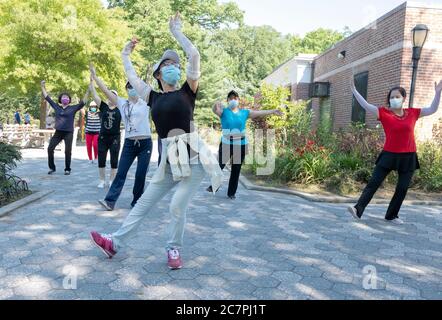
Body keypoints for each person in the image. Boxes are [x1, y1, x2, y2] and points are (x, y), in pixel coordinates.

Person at [90, 13, 223, 270]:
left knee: (176, 205)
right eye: (168, 64)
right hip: (170, 160)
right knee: (144, 202)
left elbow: (194, 56)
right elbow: (130, 74)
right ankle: (114, 243)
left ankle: (174, 248)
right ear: (159, 73)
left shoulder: (188, 91)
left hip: (194, 159)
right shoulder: (152, 96)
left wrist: (177, 33)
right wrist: (125, 55)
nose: (174, 66)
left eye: (176, 63)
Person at [348, 79, 442, 224]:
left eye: (397, 96)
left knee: (402, 188)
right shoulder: (384, 113)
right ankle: (357, 209)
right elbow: (366, 105)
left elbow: (432, 109)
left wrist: (437, 93)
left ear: (403, 98)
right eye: (391, 97)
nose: (394, 99)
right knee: (373, 183)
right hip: (389, 155)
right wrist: (355, 91)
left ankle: (391, 215)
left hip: (408, 156)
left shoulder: (413, 113)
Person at [90, 64, 152, 209]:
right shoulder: (122, 103)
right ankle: (110, 201)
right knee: (121, 172)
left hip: (145, 143)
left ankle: (137, 201)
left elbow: (152, 88)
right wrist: (95, 77)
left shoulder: (146, 102)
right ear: (126, 89)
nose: (132, 89)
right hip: (129, 144)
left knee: (140, 174)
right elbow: (105, 91)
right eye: (129, 86)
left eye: (134, 86)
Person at [207, 90, 283, 199]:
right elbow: (215, 110)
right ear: (227, 100)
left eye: (235, 98)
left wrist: (273, 111)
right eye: (230, 98)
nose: (233, 100)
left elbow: (259, 113)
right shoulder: (224, 111)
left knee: (236, 169)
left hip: (240, 144)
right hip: (226, 144)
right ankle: (214, 185)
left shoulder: (244, 113)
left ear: (238, 100)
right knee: (219, 166)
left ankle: (231, 193)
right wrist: (216, 105)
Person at [40, 80, 89, 175]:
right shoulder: (57, 107)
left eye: (67, 97)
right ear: (60, 99)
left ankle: (67, 169)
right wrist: (42, 87)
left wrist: (88, 90)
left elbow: (83, 102)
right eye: (63, 97)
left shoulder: (73, 108)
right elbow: (47, 98)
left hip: (68, 133)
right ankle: (52, 168)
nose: (65, 98)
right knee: (50, 148)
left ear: (69, 100)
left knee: (68, 151)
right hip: (58, 132)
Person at [89, 78, 122, 189]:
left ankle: (112, 180)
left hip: (115, 138)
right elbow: (95, 95)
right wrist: (91, 83)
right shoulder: (103, 107)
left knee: (114, 160)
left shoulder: (120, 108)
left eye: (112, 95)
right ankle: (102, 180)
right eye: (109, 95)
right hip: (103, 137)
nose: (110, 97)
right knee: (101, 159)